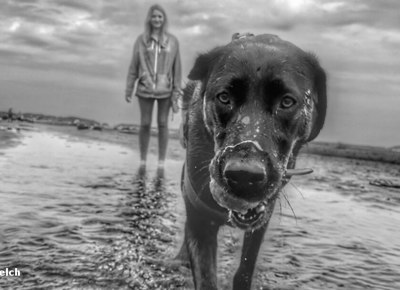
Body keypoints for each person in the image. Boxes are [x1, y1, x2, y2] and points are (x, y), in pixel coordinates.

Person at [125, 4, 181, 177]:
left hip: (165, 89)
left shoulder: (172, 41)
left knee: (163, 124)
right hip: (145, 88)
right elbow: (134, 65)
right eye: (154, 16)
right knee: (145, 123)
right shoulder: (141, 40)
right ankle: (142, 159)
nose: (157, 19)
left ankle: (161, 162)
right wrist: (129, 87)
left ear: (164, 20)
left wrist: (176, 92)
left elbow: (177, 68)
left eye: (160, 17)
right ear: (149, 19)